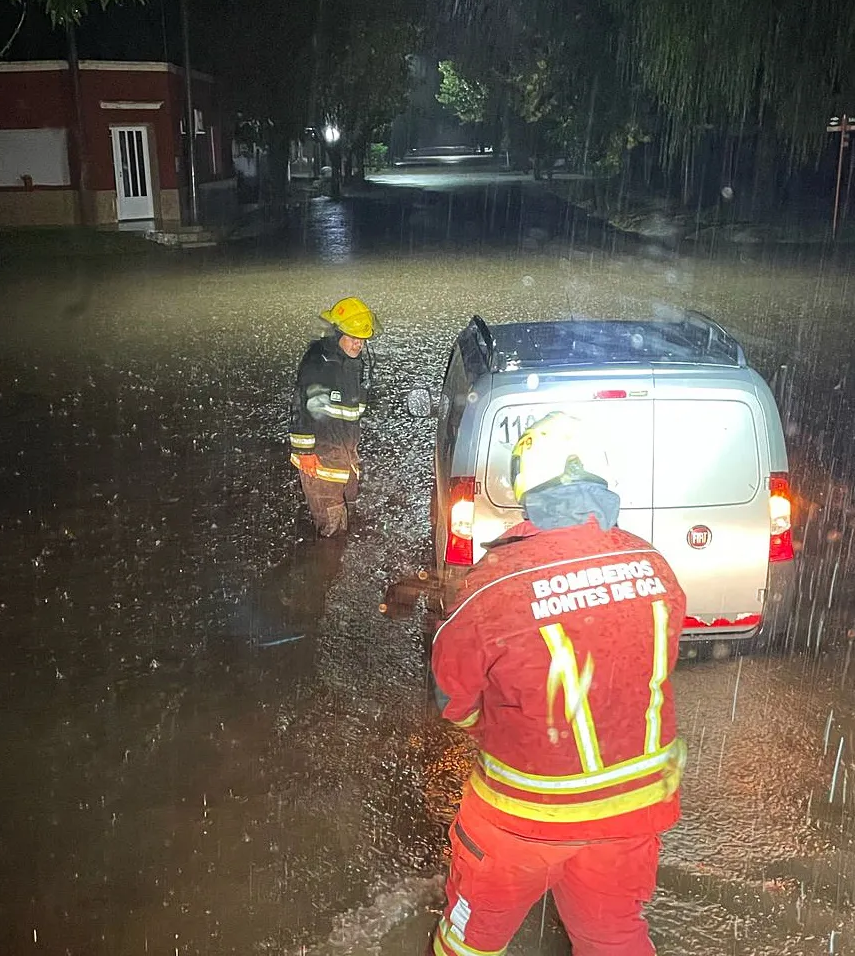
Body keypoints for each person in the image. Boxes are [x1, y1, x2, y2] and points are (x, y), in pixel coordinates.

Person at [430, 411, 688, 956]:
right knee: (614, 937)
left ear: (527, 487)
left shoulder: (496, 583)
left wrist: (489, 723)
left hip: (524, 817)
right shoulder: (652, 562)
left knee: (470, 945)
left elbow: (452, 697)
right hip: (633, 810)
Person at [288, 296, 380, 538]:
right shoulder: (319, 363)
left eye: (361, 339)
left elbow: (350, 412)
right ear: (337, 334)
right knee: (331, 526)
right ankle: (326, 568)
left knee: (347, 515)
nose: (357, 344)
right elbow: (301, 405)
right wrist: (305, 452)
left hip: (344, 459)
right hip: (321, 461)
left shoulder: (352, 363)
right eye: (352, 338)